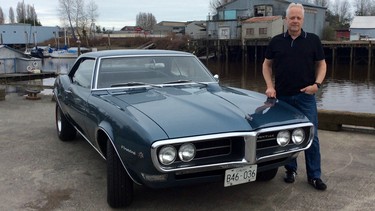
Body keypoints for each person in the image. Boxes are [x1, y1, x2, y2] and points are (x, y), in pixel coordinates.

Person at [262, 3, 327, 191]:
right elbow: (266, 65)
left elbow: (322, 65)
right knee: (286, 136)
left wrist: (317, 85)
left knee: (311, 136)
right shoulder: (276, 41)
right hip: (282, 97)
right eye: (292, 18)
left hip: (305, 96)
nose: (295, 21)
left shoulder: (313, 40)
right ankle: (290, 169)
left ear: (303, 20)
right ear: (286, 20)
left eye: (298, 18)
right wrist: (269, 86)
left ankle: (314, 176)